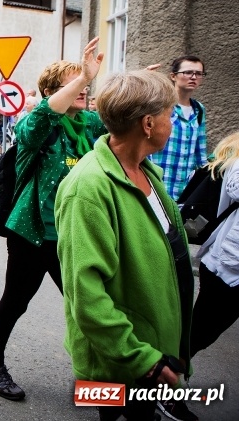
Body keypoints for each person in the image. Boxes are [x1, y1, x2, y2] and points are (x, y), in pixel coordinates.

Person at [56, 70, 195, 421]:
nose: (173, 124)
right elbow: (85, 296)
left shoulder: (146, 171)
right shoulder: (88, 189)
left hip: (149, 347)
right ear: (148, 124)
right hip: (119, 359)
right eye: (168, 115)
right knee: (121, 413)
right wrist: (141, 359)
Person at [0, 37, 107, 401]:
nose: (84, 85)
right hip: (35, 234)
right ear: (53, 91)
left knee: (92, 308)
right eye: (73, 81)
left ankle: (101, 381)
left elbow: (122, 123)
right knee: (15, 302)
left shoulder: (91, 126)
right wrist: (82, 78)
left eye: (86, 80)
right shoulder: (34, 128)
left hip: (79, 234)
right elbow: (40, 117)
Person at [191, 131, 239, 357]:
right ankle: (156, 378)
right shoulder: (237, 159)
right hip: (226, 267)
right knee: (197, 334)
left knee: (200, 334)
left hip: (227, 265)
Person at [148, 56, 208, 200]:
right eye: (188, 72)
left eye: (198, 73)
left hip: (184, 191)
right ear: (173, 76)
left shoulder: (199, 109)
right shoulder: (160, 104)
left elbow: (201, 154)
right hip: (158, 184)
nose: (193, 77)